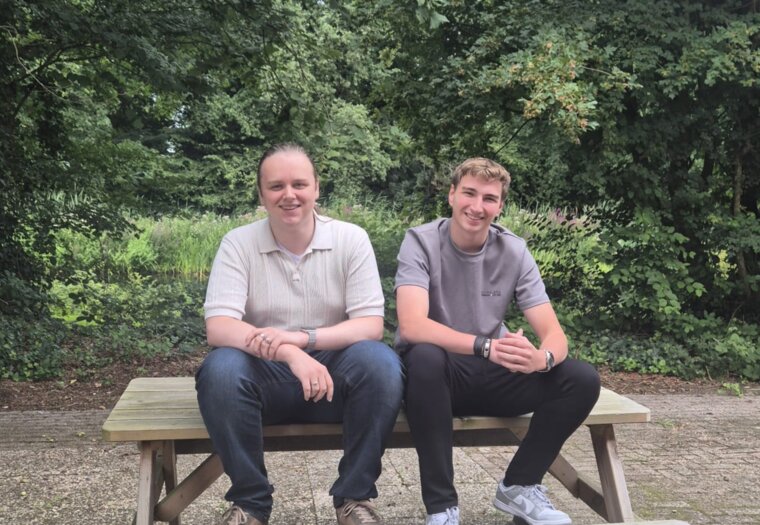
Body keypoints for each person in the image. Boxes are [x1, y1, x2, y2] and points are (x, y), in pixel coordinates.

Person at [196, 143, 404, 525]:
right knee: (221, 369)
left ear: (316, 188)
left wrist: (301, 340)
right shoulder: (238, 243)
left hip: (332, 380)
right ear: (261, 194)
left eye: (299, 184)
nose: (288, 195)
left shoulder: (351, 239)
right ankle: (250, 504)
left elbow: (370, 324)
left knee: (381, 363)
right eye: (276, 186)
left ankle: (353, 498)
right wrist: (289, 353)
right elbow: (219, 326)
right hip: (263, 379)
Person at [394, 157, 601, 525]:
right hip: (435, 382)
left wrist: (541, 359)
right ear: (452, 195)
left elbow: (555, 335)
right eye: (469, 193)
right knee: (424, 357)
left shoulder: (513, 250)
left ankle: (519, 486)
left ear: (500, 205)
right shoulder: (420, 241)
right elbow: (412, 326)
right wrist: (486, 346)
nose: (477, 206)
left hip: (491, 374)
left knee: (581, 378)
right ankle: (442, 508)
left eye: (489, 198)